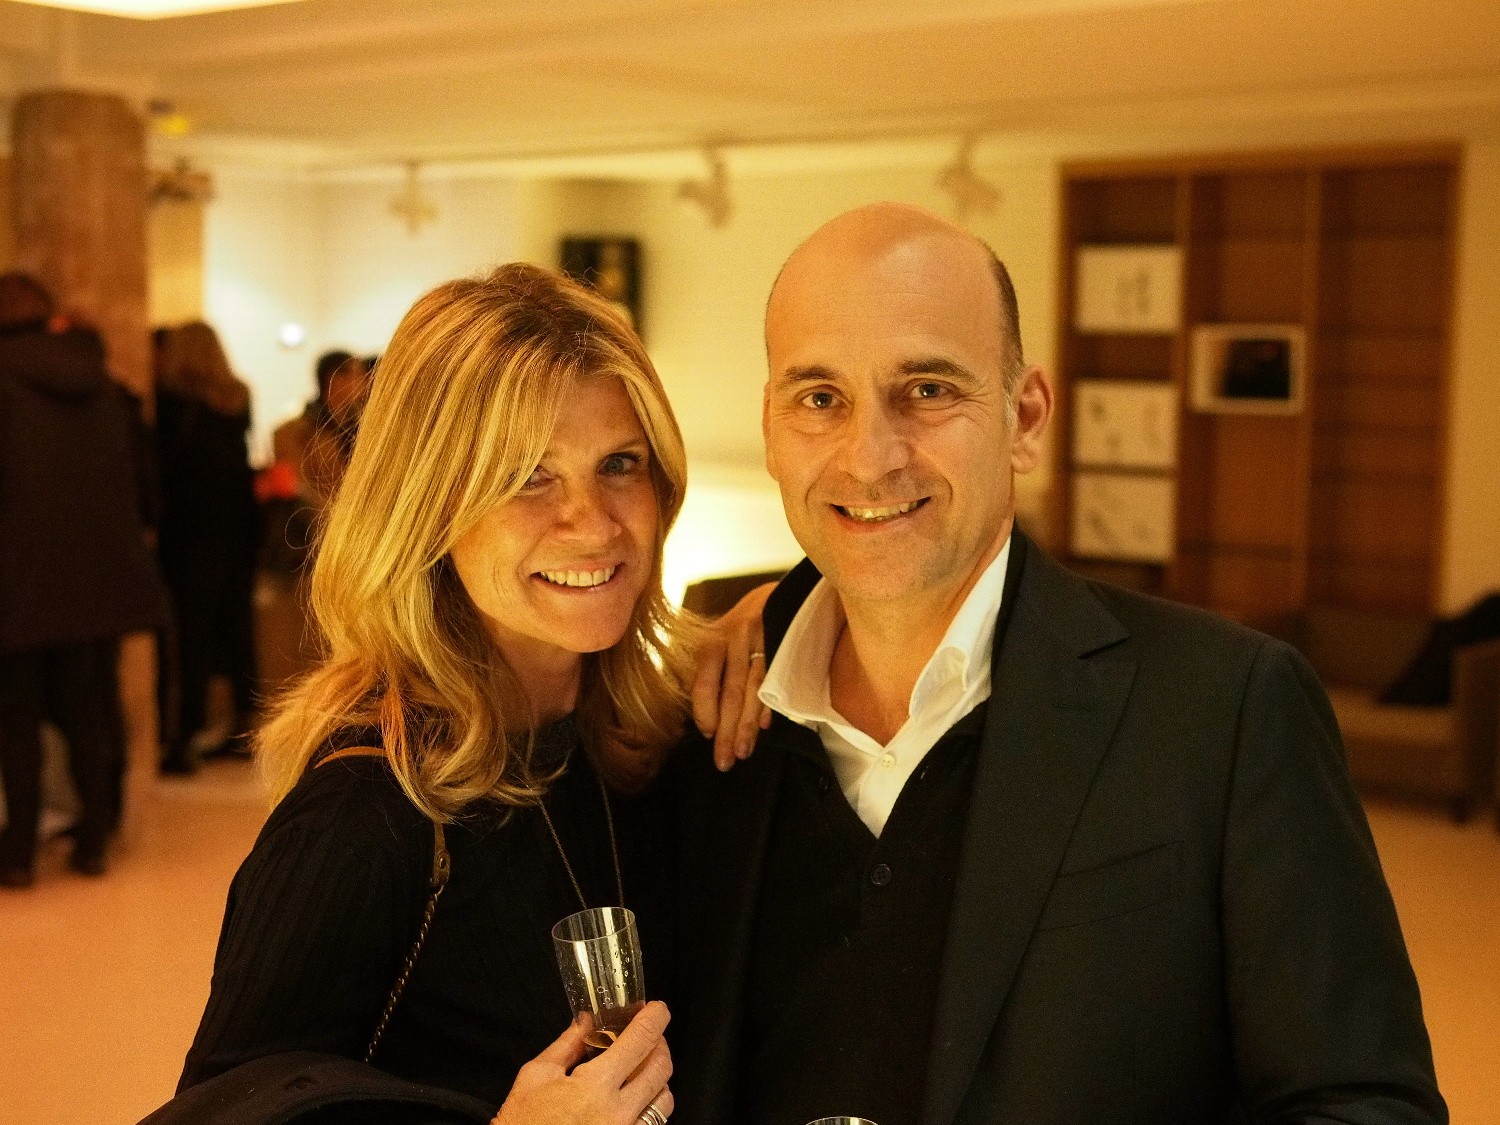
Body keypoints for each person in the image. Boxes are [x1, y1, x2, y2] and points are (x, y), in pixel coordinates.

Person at [668, 204, 1446, 1124]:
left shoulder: (1227, 709)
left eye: (926, 389)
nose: (869, 457)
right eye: (819, 398)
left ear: (1026, 417)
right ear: (770, 426)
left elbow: (1364, 1102)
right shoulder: (692, 718)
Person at [178, 264, 695, 1124]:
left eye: (619, 463)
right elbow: (218, 1109)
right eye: (528, 475)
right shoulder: (363, 815)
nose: (595, 522)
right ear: (429, 507)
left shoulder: (644, 740)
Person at [0, 273, 171, 885]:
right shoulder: (102, 384)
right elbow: (141, 485)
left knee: (16, 719)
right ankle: (95, 838)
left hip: (15, 577)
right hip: (96, 581)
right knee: (87, 710)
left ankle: (19, 851)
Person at [155, 321, 260, 773]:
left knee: (190, 637)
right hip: (239, 530)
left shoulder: (173, 404)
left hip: (190, 535)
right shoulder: (237, 400)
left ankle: (185, 736)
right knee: (238, 632)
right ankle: (244, 728)